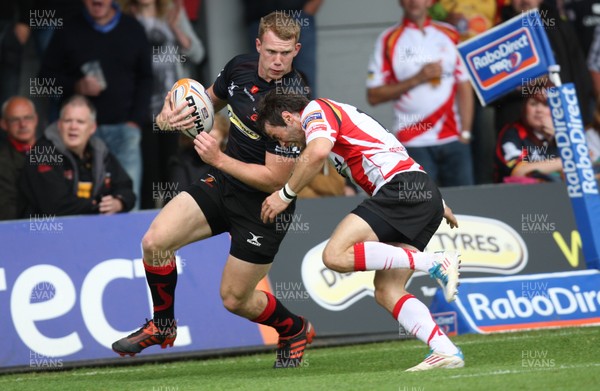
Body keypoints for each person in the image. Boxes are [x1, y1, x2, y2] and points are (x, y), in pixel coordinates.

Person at [111, 11, 314, 368]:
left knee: (235, 300)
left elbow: (274, 179)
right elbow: (203, 104)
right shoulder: (238, 69)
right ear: (258, 45)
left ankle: (294, 328)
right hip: (223, 185)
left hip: (266, 207)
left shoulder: (293, 99)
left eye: (286, 53)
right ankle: (162, 325)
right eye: (271, 51)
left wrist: (218, 159)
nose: (278, 61)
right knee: (155, 242)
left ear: (297, 49)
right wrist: (168, 118)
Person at [257, 91, 463, 371]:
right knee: (387, 290)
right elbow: (391, 150)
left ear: (288, 117)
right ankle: (444, 349)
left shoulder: (316, 110)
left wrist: (285, 194)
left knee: (335, 255)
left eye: (276, 135)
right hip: (419, 192)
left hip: (400, 189)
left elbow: (316, 153)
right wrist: (438, 201)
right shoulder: (337, 123)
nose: (281, 142)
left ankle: (435, 262)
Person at [39, 0, 153, 209]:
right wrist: (76, 86)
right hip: (81, 135)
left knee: (126, 200)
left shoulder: (133, 28)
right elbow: (44, 78)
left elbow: (147, 77)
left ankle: (128, 243)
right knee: (81, 204)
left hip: (124, 131)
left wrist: (136, 121)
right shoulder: (68, 29)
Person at [367, 0, 475, 187]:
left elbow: (464, 84)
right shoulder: (388, 39)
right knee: (420, 209)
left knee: (466, 205)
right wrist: (417, 78)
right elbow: (373, 95)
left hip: (453, 140)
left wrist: (465, 133)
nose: (414, 1)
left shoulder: (449, 33)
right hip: (413, 143)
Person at [120, 0, 205, 208]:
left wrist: (175, 28)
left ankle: (173, 223)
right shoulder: (124, 18)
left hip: (173, 108)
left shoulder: (173, 13)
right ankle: (147, 225)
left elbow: (198, 53)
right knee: (149, 172)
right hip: (140, 109)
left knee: (172, 168)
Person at [20, 95, 136, 216]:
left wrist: (118, 202)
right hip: (44, 232)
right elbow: (55, 206)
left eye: (80, 122)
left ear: (92, 128)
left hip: (93, 230)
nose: (73, 127)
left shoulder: (100, 151)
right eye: (67, 121)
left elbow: (126, 188)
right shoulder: (43, 152)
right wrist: (98, 205)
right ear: (59, 124)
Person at [242, 0, 323, 96]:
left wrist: (309, 9)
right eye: (271, 51)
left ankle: (306, 109)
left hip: (297, 14)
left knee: (303, 79)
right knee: (262, 78)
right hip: (259, 15)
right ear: (258, 45)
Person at [494, 89, 562, 183]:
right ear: (524, 108)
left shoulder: (564, 135)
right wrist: (565, 162)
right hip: (517, 194)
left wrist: (560, 137)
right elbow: (518, 172)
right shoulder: (513, 133)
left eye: (545, 104)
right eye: (533, 104)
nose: (539, 110)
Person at [165, 112, 229, 203]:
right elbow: (178, 199)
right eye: (202, 129)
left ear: (223, 134)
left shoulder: (232, 159)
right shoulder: (179, 162)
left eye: (212, 128)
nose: (207, 134)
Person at [0, 97, 38, 220]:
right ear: (4, 124)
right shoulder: (3, 161)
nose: (23, 124)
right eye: (15, 120)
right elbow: (7, 211)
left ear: (36, 119)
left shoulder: (54, 151)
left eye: (28, 117)